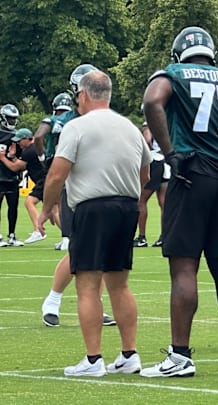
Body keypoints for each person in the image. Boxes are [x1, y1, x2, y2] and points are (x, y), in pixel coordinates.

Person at [140, 26, 218, 378]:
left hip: (191, 174)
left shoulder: (174, 73)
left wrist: (170, 153)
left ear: (179, 54)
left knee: (184, 267)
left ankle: (180, 356)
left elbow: (151, 101)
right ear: (212, 54)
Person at [37, 70, 151, 377]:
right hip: (127, 207)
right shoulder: (129, 128)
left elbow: (58, 174)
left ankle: (92, 359)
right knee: (120, 283)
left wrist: (47, 208)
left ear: (83, 95)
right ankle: (129, 354)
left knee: (88, 284)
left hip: (93, 207)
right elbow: (145, 174)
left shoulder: (77, 127)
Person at [39, 65, 115, 328]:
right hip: (77, 191)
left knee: (103, 253)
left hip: (104, 190)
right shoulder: (70, 121)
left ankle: (96, 306)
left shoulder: (104, 119)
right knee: (78, 250)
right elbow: (60, 167)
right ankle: (52, 300)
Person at [24, 94, 72, 244]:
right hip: (75, 161)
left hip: (55, 161)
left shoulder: (51, 120)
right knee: (66, 200)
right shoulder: (76, 119)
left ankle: (67, 237)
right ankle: (71, 236)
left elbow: (38, 137)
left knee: (59, 202)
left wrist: (42, 157)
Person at [0, 128, 59, 243]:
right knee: (54, 210)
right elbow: (22, 165)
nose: (18, 144)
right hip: (46, 179)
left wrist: (2, 158)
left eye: (19, 141)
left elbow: (16, 167)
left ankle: (38, 231)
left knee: (29, 202)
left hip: (43, 180)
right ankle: (68, 237)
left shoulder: (29, 151)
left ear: (27, 139)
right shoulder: (34, 149)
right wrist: (13, 157)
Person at [132, 121, 167, 248]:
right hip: (167, 161)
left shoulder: (150, 122)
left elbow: (147, 139)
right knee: (164, 202)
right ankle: (164, 237)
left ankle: (142, 237)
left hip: (155, 160)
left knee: (141, 200)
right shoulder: (170, 119)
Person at [0, 104, 24, 247]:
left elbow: (20, 157)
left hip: (12, 175)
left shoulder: (17, 135)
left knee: (13, 207)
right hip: (0, 175)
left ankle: (12, 235)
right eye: (10, 119)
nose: (13, 122)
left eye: (14, 119)